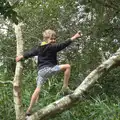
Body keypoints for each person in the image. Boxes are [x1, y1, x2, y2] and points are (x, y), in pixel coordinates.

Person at [16, 29, 81, 116]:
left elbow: (30, 53)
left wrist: (21, 56)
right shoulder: (52, 47)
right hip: (48, 69)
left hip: (40, 72)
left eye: (54, 39)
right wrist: (75, 36)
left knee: (37, 90)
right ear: (46, 39)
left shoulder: (39, 48)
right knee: (68, 66)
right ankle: (65, 88)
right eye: (51, 39)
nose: (54, 41)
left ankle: (29, 110)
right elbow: (64, 44)